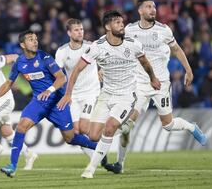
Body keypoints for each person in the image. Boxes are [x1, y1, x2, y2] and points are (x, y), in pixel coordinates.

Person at [103, 0, 207, 174]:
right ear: (140, 11)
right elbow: (116, 48)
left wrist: (188, 70)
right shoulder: (129, 29)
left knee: (167, 125)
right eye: (149, 7)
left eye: (154, 6)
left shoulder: (163, 30)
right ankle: (120, 163)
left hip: (161, 84)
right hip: (138, 85)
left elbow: (177, 50)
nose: (153, 9)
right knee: (127, 124)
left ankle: (191, 127)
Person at [58, 10, 161, 179]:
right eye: (117, 22)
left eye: (122, 22)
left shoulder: (132, 43)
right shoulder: (98, 47)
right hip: (106, 95)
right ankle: (125, 128)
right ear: (107, 26)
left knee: (110, 127)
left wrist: (153, 78)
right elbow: (76, 70)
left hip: (126, 96)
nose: (122, 25)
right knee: (93, 135)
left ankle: (90, 169)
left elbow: (145, 63)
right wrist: (68, 94)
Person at [0, 30, 98, 178]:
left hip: (57, 102)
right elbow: (8, 83)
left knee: (70, 138)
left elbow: (61, 78)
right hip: (39, 101)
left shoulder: (44, 57)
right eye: (31, 39)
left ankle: (98, 148)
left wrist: (49, 90)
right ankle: (12, 166)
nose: (35, 41)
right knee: (22, 126)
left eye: (36, 39)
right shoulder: (19, 62)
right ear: (23, 44)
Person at [55, 18, 101, 158]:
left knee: (85, 127)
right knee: (75, 131)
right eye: (76, 30)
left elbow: (105, 59)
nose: (80, 32)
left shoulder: (91, 46)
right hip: (73, 94)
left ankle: (101, 148)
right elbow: (57, 74)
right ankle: (97, 158)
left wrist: (102, 70)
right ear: (69, 33)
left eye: (81, 29)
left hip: (90, 92)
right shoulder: (62, 51)